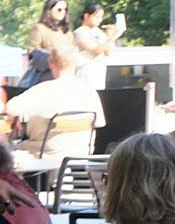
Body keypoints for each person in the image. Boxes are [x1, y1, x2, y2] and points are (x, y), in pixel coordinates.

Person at [2, 43, 103, 178]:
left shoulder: (42, 90)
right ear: (75, 64)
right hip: (81, 155)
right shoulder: (89, 92)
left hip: (43, 156)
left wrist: (18, 117)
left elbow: (9, 108)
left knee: (7, 153)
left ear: (50, 63)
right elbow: (100, 123)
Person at [18, 0, 70, 90]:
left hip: (66, 74)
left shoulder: (66, 31)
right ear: (49, 10)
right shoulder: (39, 28)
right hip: (46, 74)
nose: (63, 12)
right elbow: (33, 51)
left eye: (65, 10)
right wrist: (52, 58)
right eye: (59, 9)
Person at [68, 2, 121, 92]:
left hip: (98, 74)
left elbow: (107, 52)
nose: (99, 20)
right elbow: (95, 51)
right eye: (96, 17)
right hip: (85, 75)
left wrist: (109, 34)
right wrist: (115, 36)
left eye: (101, 17)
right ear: (86, 16)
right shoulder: (80, 32)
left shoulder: (98, 32)